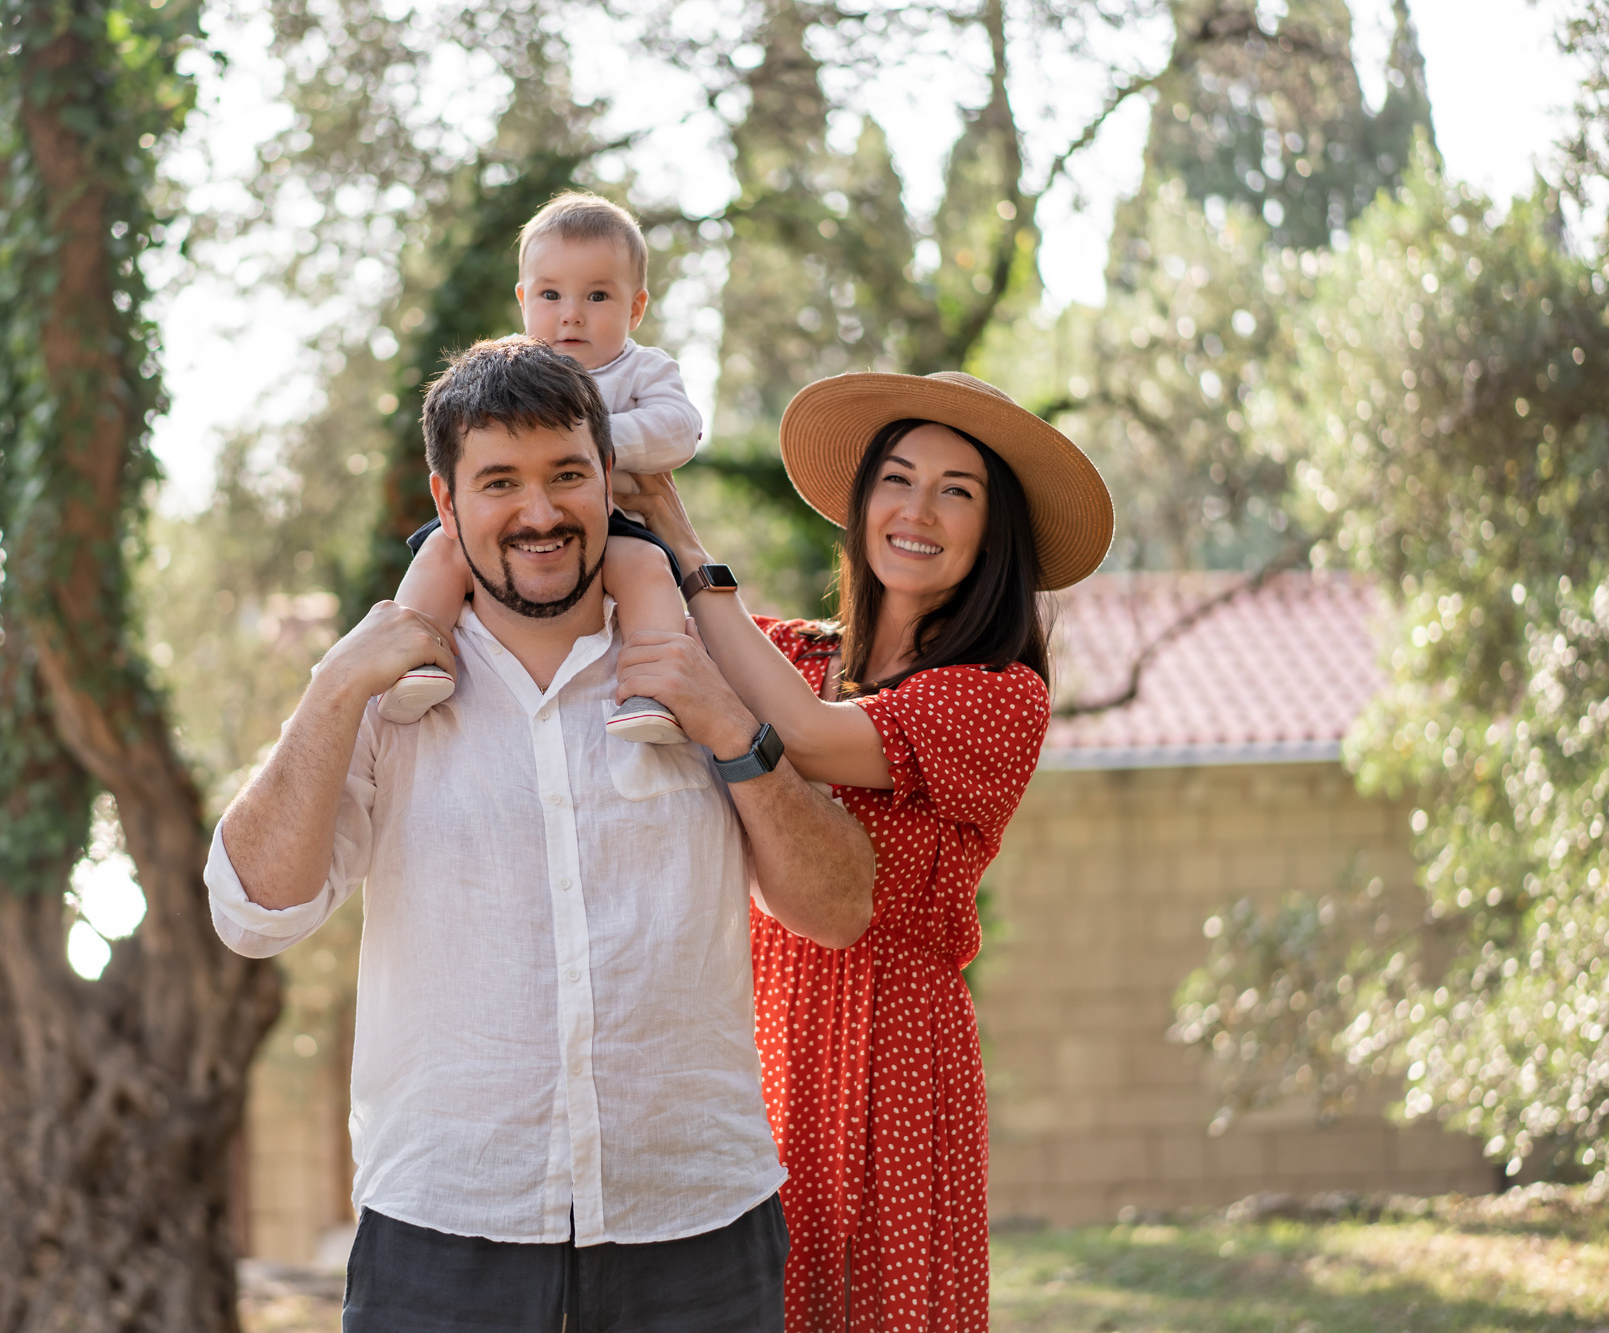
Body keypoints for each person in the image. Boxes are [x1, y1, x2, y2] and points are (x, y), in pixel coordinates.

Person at [207, 337, 877, 1331]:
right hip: (442, 1234)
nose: (539, 512)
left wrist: (733, 729)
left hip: (695, 1227)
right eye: (499, 482)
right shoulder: (383, 696)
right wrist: (336, 683)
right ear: (445, 504)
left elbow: (838, 907)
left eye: (566, 474)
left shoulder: (708, 661)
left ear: (607, 475)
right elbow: (251, 913)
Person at [622, 370, 1114, 1331]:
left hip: (898, 1057)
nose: (917, 510)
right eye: (897, 478)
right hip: (761, 1033)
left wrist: (687, 546)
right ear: (862, 504)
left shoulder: (997, 694)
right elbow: (648, 641)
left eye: (956, 491)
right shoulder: (793, 654)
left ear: (994, 531)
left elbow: (804, 735)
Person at [381, 191, 702, 745]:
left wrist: (591, 441)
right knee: (442, 550)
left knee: (648, 568)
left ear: (635, 308)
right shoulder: (510, 368)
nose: (571, 313)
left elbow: (680, 429)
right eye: (551, 294)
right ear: (524, 299)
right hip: (507, 516)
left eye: (597, 295)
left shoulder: (642, 369)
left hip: (613, 524)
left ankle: (654, 690)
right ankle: (413, 658)